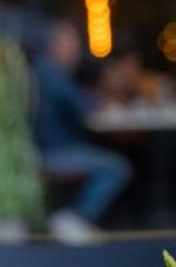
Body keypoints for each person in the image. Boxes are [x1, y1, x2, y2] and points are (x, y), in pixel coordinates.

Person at [33, 21, 131, 242]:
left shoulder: (49, 71)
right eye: (72, 43)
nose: (76, 50)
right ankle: (74, 218)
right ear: (56, 44)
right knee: (116, 168)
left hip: (56, 148)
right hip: (53, 153)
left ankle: (71, 218)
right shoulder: (50, 72)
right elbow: (82, 106)